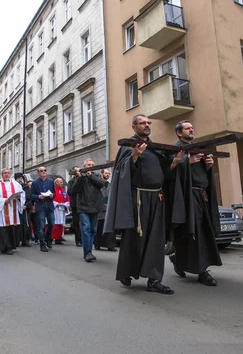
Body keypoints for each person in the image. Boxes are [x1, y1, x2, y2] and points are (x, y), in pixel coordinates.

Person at [104, 114, 173, 294]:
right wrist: (133, 157)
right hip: (138, 198)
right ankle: (127, 271)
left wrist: (176, 163)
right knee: (135, 237)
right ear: (134, 127)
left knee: (156, 239)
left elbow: (164, 172)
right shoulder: (128, 145)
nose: (146, 125)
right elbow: (120, 170)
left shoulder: (154, 148)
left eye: (148, 122)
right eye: (142, 123)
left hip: (156, 198)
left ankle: (154, 279)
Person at [167, 120, 222, 287]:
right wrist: (186, 162)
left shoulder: (198, 148)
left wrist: (208, 166)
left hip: (201, 196)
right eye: (187, 128)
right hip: (187, 197)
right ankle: (202, 271)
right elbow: (170, 172)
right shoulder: (175, 150)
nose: (191, 129)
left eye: (192, 127)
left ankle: (178, 259)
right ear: (179, 133)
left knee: (203, 231)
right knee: (195, 233)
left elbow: (201, 174)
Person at [70, 158, 105, 262]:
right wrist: (80, 178)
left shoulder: (96, 175)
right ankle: (87, 252)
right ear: (84, 166)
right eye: (89, 164)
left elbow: (100, 184)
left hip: (95, 206)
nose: (91, 166)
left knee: (93, 229)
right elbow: (73, 190)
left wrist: (90, 175)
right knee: (86, 229)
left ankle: (90, 250)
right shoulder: (80, 177)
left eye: (92, 164)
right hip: (83, 207)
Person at [0, 169, 25, 255]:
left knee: (12, 228)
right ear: (2, 174)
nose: (6, 175)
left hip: (13, 210)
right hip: (3, 210)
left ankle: (10, 247)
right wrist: (3, 200)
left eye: (8, 173)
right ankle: (3, 247)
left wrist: (20, 198)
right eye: (5, 173)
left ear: (10, 174)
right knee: (3, 229)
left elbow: (22, 194)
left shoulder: (16, 184)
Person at [31, 167, 56, 252]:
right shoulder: (35, 183)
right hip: (40, 206)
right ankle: (42, 244)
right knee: (41, 226)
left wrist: (53, 195)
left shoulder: (51, 182)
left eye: (45, 170)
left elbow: (54, 192)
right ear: (38, 173)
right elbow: (31, 195)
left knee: (52, 224)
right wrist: (38, 196)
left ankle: (47, 238)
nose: (43, 172)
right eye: (41, 171)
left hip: (49, 205)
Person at [95, 169, 117, 251]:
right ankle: (97, 244)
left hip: (108, 208)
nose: (107, 174)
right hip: (100, 208)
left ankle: (110, 245)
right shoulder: (98, 183)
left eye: (108, 173)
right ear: (102, 173)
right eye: (106, 173)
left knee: (109, 227)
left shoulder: (110, 184)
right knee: (99, 227)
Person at [67, 167, 83, 247]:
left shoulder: (83, 179)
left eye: (79, 171)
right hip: (75, 204)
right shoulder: (71, 181)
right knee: (76, 223)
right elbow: (70, 192)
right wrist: (77, 182)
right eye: (76, 171)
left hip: (84, 203)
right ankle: (78, 240)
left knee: (84, 223)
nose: (78, 172)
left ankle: (84, 239)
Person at [14, 173, 32, 247]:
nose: (20, 179)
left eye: (21, 178)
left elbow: (29, 198)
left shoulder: (26, 187)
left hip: (24, 209)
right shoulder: (13, 187)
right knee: (16, 225)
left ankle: (25, 240)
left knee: (26, 224)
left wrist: (26, 205)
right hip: (15, 209)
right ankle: (16, 240)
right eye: (18, 178)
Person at [52, 178, 70, 245]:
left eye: (62, 182)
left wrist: (65, 204)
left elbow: (67, 199)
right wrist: (56, 204)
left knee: (61, 223)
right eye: (61, 182)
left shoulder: (63, 191)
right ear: (56, 183)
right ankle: (54, 237)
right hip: (55, 210)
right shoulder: (53, 190)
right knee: (56, 223)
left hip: (62, 209)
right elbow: (51, 200)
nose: (62, 183)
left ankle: (59, 238)